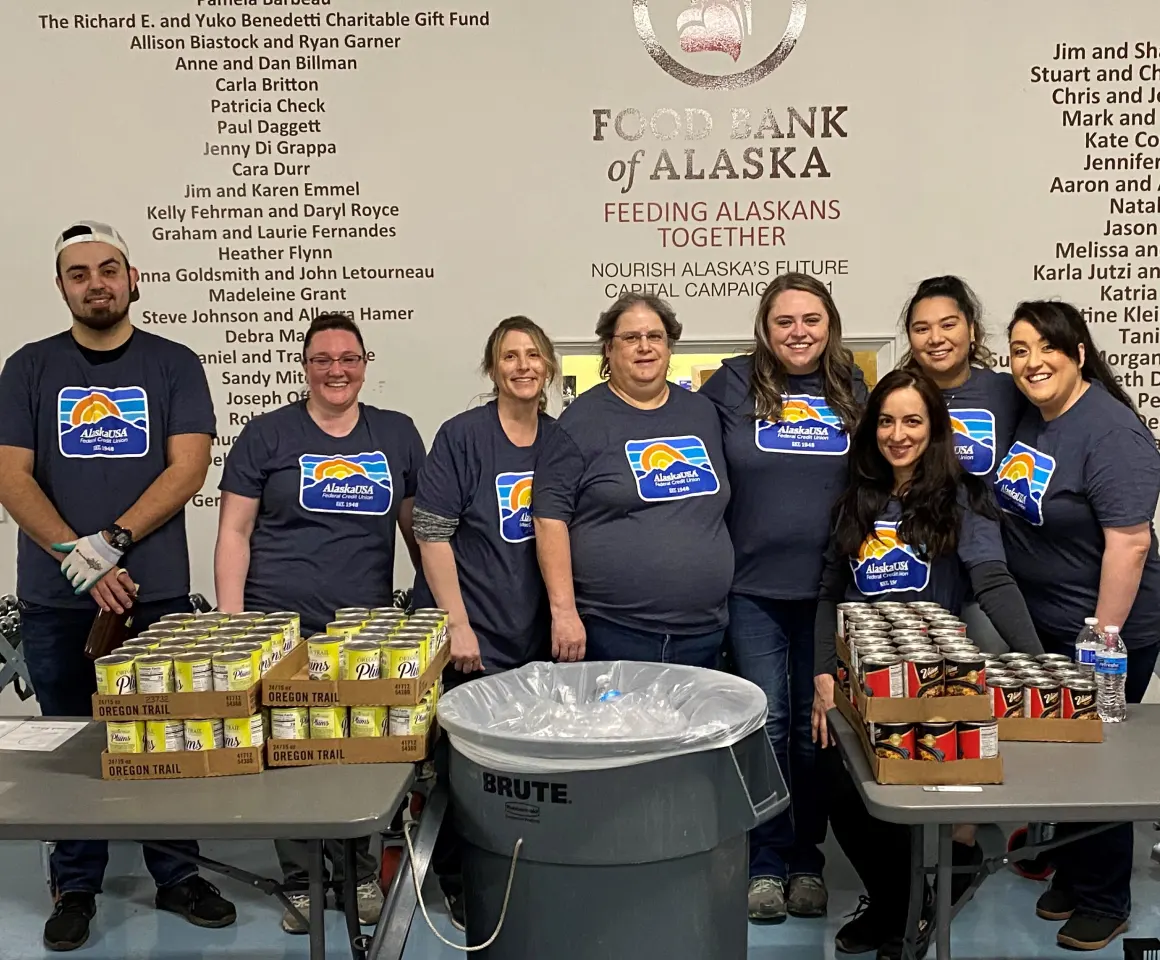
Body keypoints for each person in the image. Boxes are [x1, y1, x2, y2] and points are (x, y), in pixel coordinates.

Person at [0, 221, 233, 952]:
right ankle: (76, 884)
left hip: (154, 591)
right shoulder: (29, 368)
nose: (95, 283)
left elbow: (188, 468)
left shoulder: (174, 365)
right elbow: (11, 476)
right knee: (71, 744)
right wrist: (83, 557)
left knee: (163, 736)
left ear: (134, 279)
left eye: (108, 269)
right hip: (56, 593)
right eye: (79, 273)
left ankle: (178, 873)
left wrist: (115, 541)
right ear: (62, 286)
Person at [811, 369, 1041, 960]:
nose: (897, 433)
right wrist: (821, 678)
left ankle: (920, 903)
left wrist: (1038, 661)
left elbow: (991, 578)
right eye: (886, 420)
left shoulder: (960, 496)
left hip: (935, 677)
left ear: (935, 428)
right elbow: (829, 593)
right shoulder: (857, 497)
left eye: (913, 420)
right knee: (841, 791)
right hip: (860, 677)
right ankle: (894, 903)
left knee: (922, 797)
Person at [215, 312, 425, 934]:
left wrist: (440, 607)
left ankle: (360, 874)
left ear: (365, 365)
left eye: (349, 358)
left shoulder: (396, 433)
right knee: (291, 756)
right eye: (323, 359)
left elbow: (420, 531)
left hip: (365, 630)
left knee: (361, 754)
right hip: (281, 626)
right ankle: (302, 881)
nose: (337, 369)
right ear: (305, 366)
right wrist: (233, 623)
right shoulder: (267, 435)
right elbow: (234, 530)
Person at [699, 273, 867, 924]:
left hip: (828, 590)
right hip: (752, 590)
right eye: (785, 321)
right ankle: (764, 863)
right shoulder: (730, 385)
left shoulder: (853, 387)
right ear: (765, 330)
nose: (799, 332)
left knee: (815, 729)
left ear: (831, 325)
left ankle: (807, 861)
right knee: (766, 726)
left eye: (812, 320)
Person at [996, 300, 1160, 952]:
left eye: (1046, 348)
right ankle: (1072, 869)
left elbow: (1130, 544)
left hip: (1108, 630)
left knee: (1098, 765)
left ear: (1079, 352)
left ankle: (1105, 898)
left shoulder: (1110, 432)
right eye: (1019, 350)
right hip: (1047, 623)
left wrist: (1103, 642)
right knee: (1062, 759)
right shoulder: (1039, 422)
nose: (1032, 361)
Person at [412, 316, 557, 930]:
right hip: (473, 632)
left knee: (526, 769)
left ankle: (520, 872)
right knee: (462, 768)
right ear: (492, 368)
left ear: (548, 365)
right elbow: (431, 533)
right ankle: (457, 879)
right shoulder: (462, 437)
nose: (522, 366)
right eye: (509, 357)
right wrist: (458, 626)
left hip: (533, 635)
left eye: (532, 355)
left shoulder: (560, 440)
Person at [533, 292, 733, 667]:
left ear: (669, 347)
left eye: (655, 337)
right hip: (614, 632)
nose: (645, 347)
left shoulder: (703, 414)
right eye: (631, 338)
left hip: (704, 633)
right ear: (609, 350)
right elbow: (548, 518)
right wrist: (563, 614)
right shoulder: (580, 421)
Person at [900, 275, 1028, 654]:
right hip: (920, 576)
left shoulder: (1007, 392)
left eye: (948, 325)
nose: (935, 338)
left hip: (993, 573)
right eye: (921, 328)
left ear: (971, 330)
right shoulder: (899, 393)